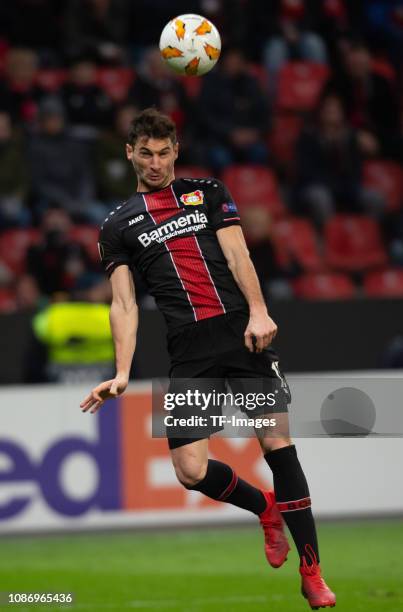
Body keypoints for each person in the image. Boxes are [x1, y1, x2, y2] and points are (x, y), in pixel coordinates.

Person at [80, 108, 336, 609]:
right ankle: (264, 508)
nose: (155, 163)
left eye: (164, 152)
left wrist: (259, 312)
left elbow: (240, 256)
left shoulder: (208, 193)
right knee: (190, 471)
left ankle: (313, 572)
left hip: (244, 338)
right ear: (130, 154)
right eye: (145, 153)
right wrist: (122, 371)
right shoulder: (117, 226)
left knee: (277, 445)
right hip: (189, 351)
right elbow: (124, 303)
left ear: (176, 150)